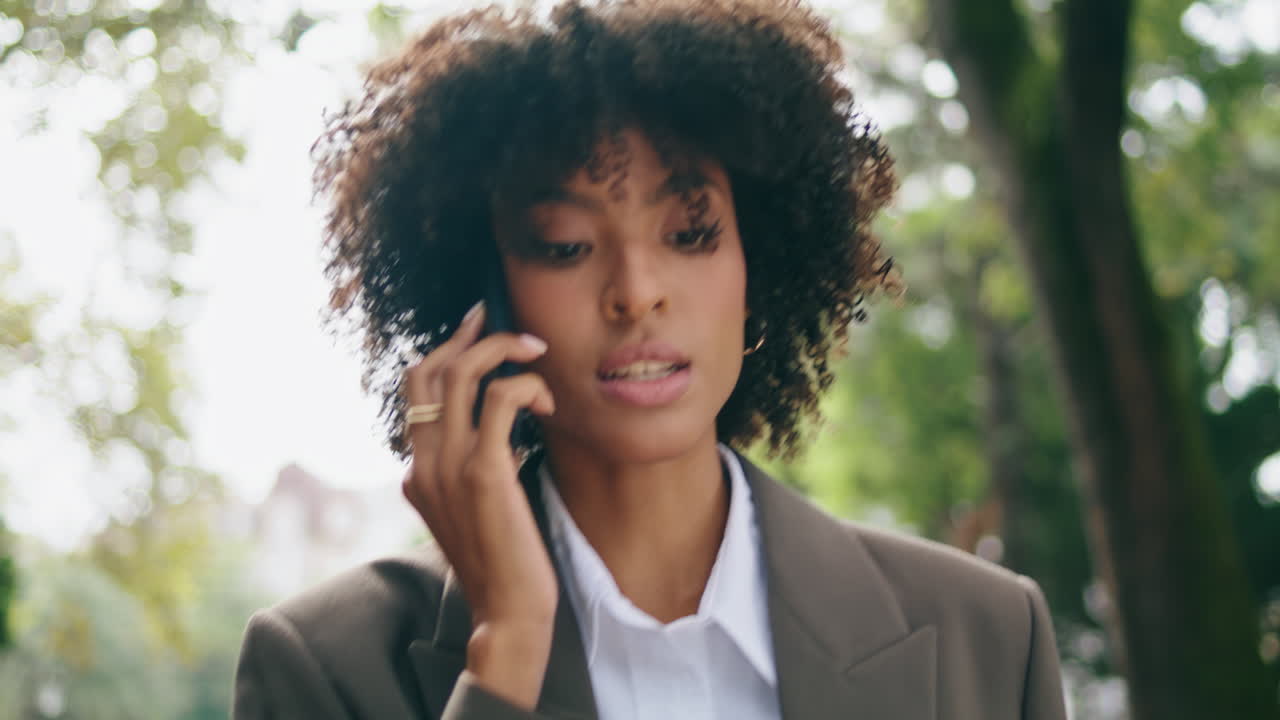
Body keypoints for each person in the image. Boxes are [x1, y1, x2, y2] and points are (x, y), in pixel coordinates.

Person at [232, 0, 1067, 718]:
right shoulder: (321, 666)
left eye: (691, 232)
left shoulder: (987, 638)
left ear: (759, 268)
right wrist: (506, 650)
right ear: (479, 295)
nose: (636, 292)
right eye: (565, 245)